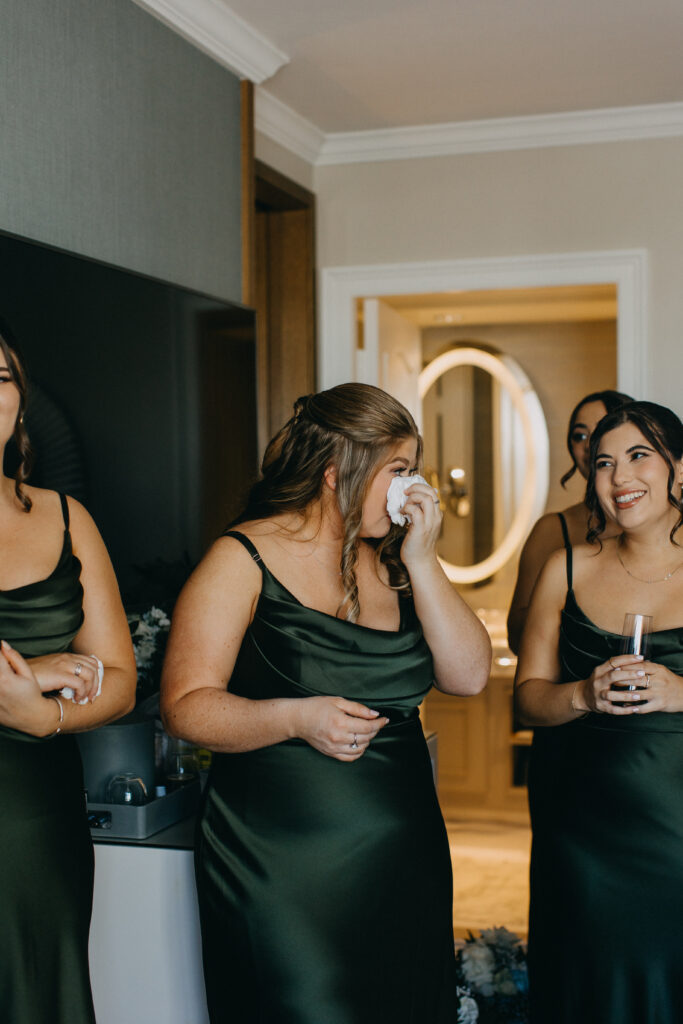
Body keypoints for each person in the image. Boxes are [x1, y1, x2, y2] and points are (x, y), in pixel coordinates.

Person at [161, 383, 491, 1024]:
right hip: (281, 868)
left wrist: (424, 562)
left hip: (403, 863)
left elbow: (470, 676)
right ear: (339, 470)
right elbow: (184, 706)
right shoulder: (243, 557)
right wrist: (294, 716)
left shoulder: (397, 563)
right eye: (397, 470)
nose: (410, 488)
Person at [515, 400, 683, 1023]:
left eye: (640, 456)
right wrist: (583, 695)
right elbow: (528, 698)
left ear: (680, 470)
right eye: (605, 463)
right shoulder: (566, 569)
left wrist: (679, 692)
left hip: (676, 830)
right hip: (581, 832)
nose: (619, 478)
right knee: (587, 981)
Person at [0, 322, 137, 1024]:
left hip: (38, 821)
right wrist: (36, 669)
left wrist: (44, 715)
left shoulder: (64, 516)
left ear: (20, 402)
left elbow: (119, 679)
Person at [507, 389, 632, 653]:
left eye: (601, 429)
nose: (589, 445)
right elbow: (517, 638)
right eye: (580, 436)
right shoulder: (552, 530)